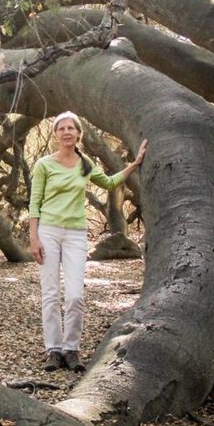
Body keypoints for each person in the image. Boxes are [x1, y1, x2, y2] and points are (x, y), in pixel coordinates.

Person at [28, 111, 147, 374]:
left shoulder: (85, 165)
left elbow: (110, 182)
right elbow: (34, 203)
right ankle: (53, 350)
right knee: (50, 293)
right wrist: (33, 237)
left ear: (79, 134)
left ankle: (71, 348)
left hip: (75, 235)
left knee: (74, 295)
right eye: (62, 128)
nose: (67, 132)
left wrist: (135, 163)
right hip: (47, 231)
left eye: (72, 128)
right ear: (56, 134)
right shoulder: (44, 165)